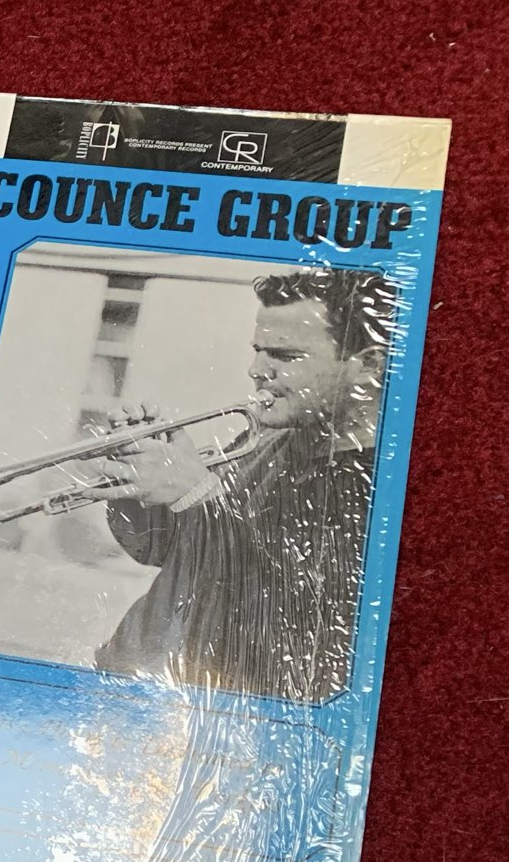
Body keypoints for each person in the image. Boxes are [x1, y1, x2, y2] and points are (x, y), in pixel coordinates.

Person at [86, 267, 395, 702]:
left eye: (285, 356)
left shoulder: (379, 486)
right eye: (258, 351)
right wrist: (137, 483)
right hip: (132, 678)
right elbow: (159, 550)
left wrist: (196, 491)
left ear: (368, 366)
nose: (256, 370)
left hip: (224, 704)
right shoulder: (263, 439)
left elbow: (296, 610)